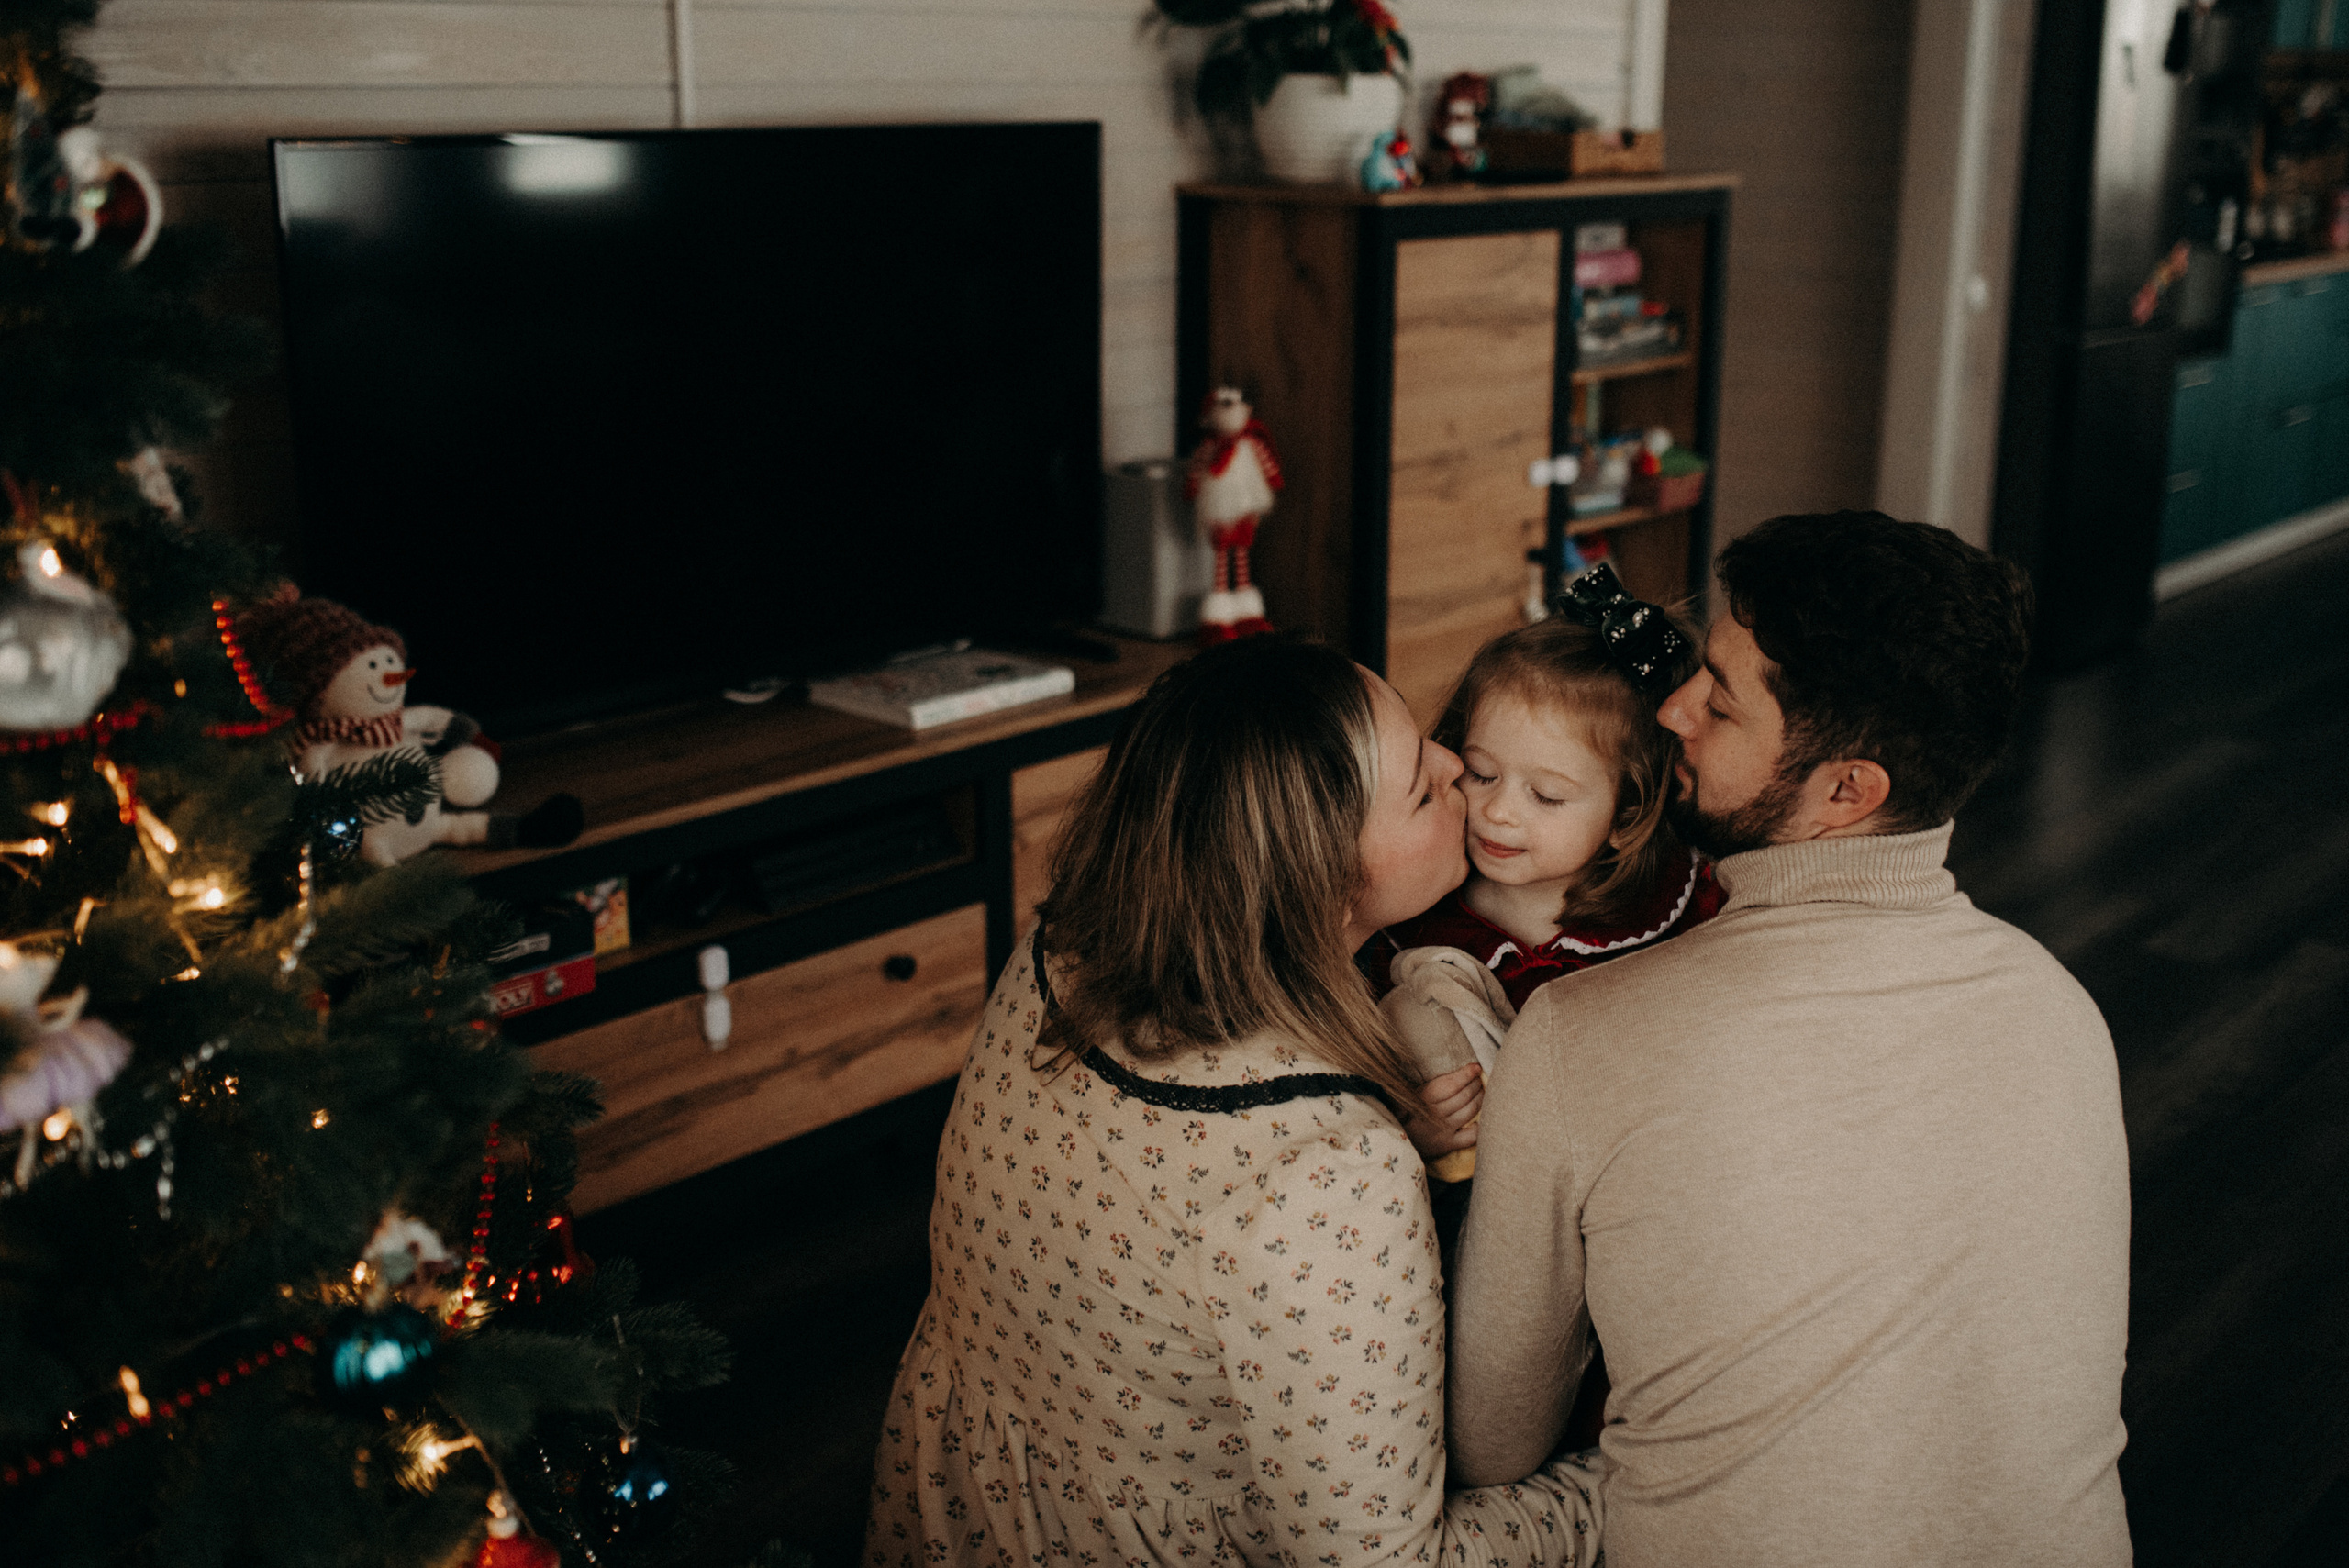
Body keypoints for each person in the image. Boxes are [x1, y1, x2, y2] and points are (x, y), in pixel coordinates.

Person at [1443, 512, 2132, 1567]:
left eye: (1718, 702)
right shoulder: (2060, 1006)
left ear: (1846, 789)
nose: (1671, 708)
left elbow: (1494, 1441)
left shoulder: (1581, 1034)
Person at [863, 636, 1606, 1568]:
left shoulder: (1063, 947)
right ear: (1324, 879)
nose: (1456, 763)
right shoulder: (1332, 1174)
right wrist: (1622, 1479)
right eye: (1423, 789)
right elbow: (1385, 1561)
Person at [1370, 564, 1724, 1185]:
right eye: (1482, 773)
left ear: (1627, 815)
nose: (1499, 812)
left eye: (1547, 796)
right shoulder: (1414, 912)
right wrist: (1414, 1132)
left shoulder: (1679, 910)